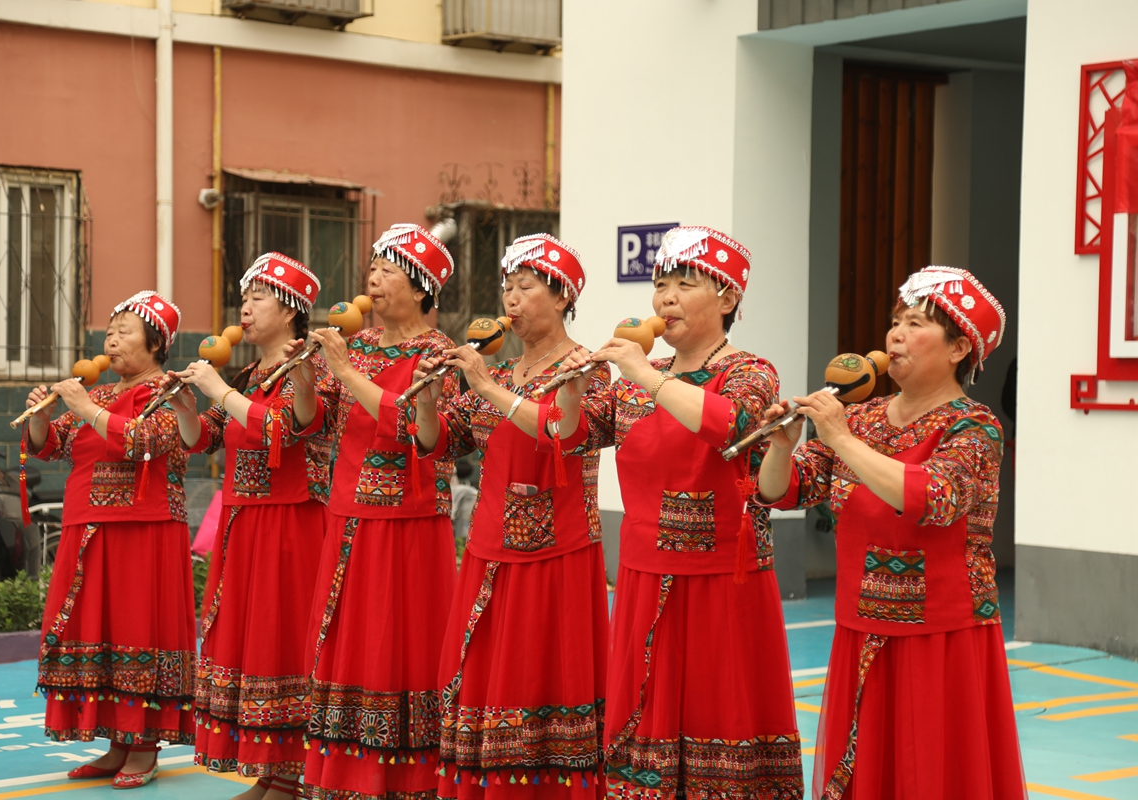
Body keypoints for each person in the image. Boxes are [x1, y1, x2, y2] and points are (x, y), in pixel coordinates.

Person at [756, 267, 1025, 799]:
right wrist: (783, 445)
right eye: (895, 321)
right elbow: (779, 492)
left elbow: (931, 497)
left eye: (916, 323)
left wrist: (837, 433)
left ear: (957, 349)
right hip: (861, 627)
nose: (896, 334)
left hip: (941, 636)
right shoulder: (863, 418)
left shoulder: (974, 427)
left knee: (931, 775)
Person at [560, 226, 804, 800]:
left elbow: (736, 424)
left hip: (725, 580)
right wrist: (571, 387)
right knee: (643, 727)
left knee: (723, 717)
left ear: (727, 299)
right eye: (660, 284)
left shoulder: (750, 371)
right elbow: (568, 438)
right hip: (646, 577)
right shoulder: (630, 385)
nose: (664, 297)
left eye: (684, 284)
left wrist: (646, 375)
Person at [410, 234, 610, 800]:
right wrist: (425, 396)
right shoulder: (497, 371)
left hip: (557, 553)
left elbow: (560, 431)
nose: (512, 300)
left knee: (541, 678)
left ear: (563, 297)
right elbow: (439, 442)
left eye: (526, 288)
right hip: (488, 549)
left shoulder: (586, 367)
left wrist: (483, 383)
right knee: (479, 678)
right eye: (508, 288)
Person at [166, 253, 334, 800]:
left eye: (259, 296)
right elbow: (201, 439)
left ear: (289, 312)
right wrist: (188, 404)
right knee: (251, 645)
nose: (245, 307)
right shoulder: (246, 374)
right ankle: (271, 771)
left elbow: (285, 428)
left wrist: (217, 391)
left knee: (282, 643)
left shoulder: (310, 365)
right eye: (246, 297)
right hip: (246, 525)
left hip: (292, 526)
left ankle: (292, 776)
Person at [302, 224, 460, 800]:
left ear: (422, 290)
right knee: (347, 644)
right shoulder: (359, 343)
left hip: (409, 520)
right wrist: (302, 374)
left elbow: (414, 431)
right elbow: (311, 420)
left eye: (389, 270)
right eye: (373, 267)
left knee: (400, 646)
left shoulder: (437, 353)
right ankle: (345, 779)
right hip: (348, 514)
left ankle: (408, 781)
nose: (374, 279)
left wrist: (344, 372)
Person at [25, 291, 195, 789]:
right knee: (100, 633)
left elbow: (147, 441)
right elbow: (52, 444)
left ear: (156, 342)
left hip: (144, 531)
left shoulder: (168, 390)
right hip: (90, 528)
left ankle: (143, 746)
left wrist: (81, 406)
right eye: (110, 331)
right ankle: (117, 742)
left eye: (124, 330)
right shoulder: (96, 394)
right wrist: (40, 416)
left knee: (138, 630)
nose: (112, 339)